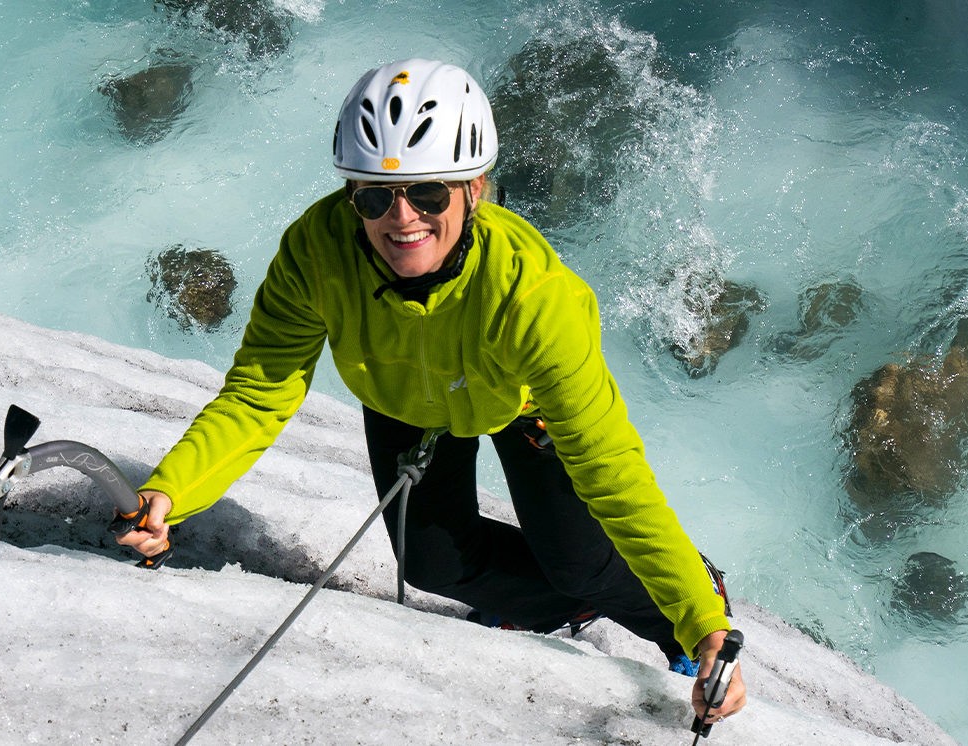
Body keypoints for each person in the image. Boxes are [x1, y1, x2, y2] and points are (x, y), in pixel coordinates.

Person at [118, 58, 746, 725]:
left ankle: (674, 608)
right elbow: (260, 392)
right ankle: (560, 608)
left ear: (475, 190)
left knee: (583, 564)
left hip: (516, 400)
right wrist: (171, 492)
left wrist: (701, 623)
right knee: (435, 567)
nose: (402, 218)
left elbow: (610, 468)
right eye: (374, 196)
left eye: (429, 194)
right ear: (351, 195)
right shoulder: (315, 254)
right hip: (404, 399)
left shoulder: (536, 298)